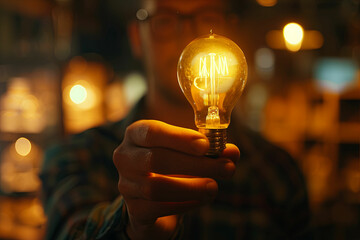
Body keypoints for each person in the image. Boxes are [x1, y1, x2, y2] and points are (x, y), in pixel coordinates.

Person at [40, 0, 312, 239]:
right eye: (166, 20)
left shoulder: (277, 173)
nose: (188, 37)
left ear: (231, 32)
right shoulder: (78, 157)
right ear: (137, 37)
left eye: (208, 18)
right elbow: (70, 232)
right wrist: (134, 226)